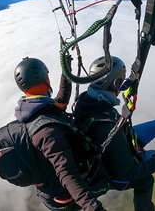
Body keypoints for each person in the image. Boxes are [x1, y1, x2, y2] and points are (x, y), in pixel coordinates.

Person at [73, 56, 155, 209]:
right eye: (120, 82)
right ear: (114, 83)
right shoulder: (107, 129)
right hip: (122, 159)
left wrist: (131, 82)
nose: (121, 86)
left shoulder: (90, 99)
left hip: (123, 139)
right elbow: (128, 172)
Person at [10, 56, 106, 211]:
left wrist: (66, 71)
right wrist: (92, 206)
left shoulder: (32, 108)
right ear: (45, 78)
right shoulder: (46, 130)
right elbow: (67, 173)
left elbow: (61, 100)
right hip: (64, 196)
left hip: (53, 191)